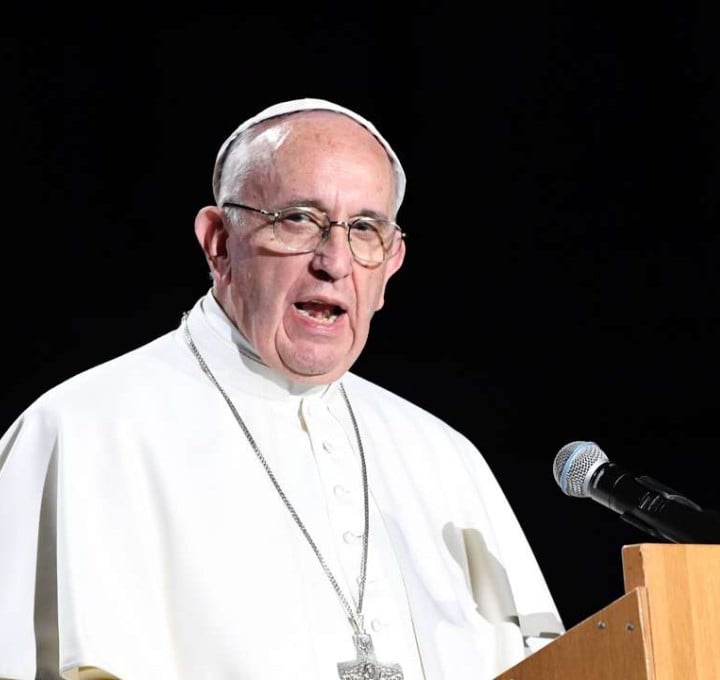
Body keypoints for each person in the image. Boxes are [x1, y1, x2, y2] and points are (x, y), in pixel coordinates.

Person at [0, 98, 564, 680]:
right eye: (298, 218)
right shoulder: (85, 430)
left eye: (365, 230)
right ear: (218, 242)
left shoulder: (444, 457)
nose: (335, 262)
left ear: (391, 264)